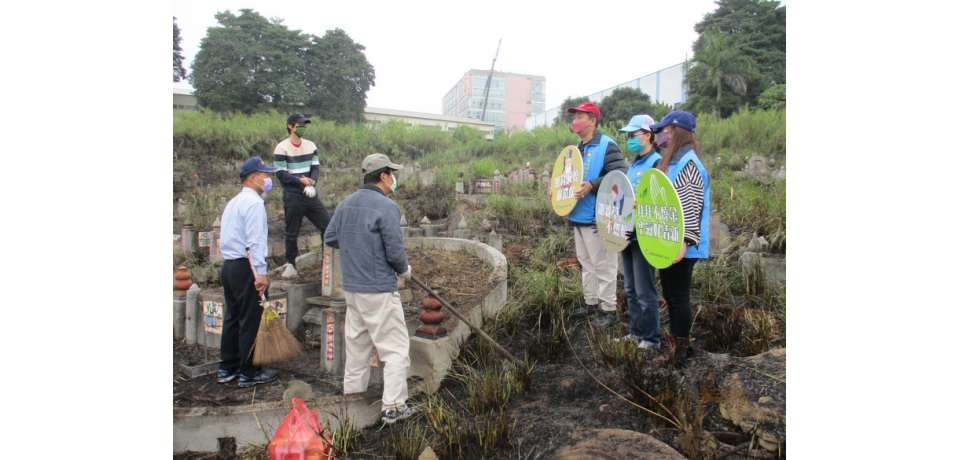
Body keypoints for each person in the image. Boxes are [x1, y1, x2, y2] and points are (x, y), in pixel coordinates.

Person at [323, 153, 416, 425]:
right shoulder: (386, 206)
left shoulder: (345, 204)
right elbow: (394, 248)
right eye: (392, 173)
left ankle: (352, 402)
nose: (394, 178)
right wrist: (404, 270)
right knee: (396, 349)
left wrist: (357, 244)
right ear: (384, 176)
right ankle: (394, 407)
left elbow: (330, 237)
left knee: (357, 347)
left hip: (352, 288)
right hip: (377, 288)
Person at [548, 102, 627, 327]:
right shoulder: (576, 149)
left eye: (581, 117)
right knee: (587, 263)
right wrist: (556, 192)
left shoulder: (606, 145)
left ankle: (609, 310)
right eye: (574, 117)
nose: (575, 121)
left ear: (593, 121)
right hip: (578, 215)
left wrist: (592, 185)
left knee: (604, 264)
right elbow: (567, 180)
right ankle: (591, 304)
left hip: (597, 217)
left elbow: (619, 174)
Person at [648, 111, 711, 347]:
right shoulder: (673, 161)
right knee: (670, 295)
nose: (661, 136)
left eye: (665, 130)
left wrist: (684, 240)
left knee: (679, 296)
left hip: (682, 244)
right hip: (668, 240)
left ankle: (681, 345)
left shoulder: (689, 163)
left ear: (676, 131)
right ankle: (675, 339)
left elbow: (691, 204)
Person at [217, 156, 281, 388]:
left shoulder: (234, 202)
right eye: (265, 175)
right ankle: (249, 372)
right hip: (247, 267)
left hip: (230, 266)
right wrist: (261, 273)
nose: (268, 180)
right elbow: (255, 242)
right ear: (253, 178)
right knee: (251, 318)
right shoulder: (254, 204)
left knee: (233, 316)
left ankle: (228, 367)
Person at [617, 115, 663, 349]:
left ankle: (651, 338)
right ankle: (635, 332)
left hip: (645, 235)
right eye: (628, 136)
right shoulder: (634, 164)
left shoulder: (657, 163)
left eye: (633, 135)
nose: (630, 140)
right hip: (628, 233)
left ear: (647, 135)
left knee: (645, 290)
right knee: (630, 288)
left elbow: (660, 201)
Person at [275, 113, 331, 278]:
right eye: (299, 126)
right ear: (290, 126)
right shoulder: (282, 148)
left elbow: (315, 167)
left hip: (310, 193)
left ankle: (327, 261)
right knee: (292, 231)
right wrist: (301, 181)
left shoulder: (310, 146)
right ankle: (291, 264)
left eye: (304, 126)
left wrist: (312, 181)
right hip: (293, 195)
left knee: (327, 226)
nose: (303, 129)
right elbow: (281, 174)